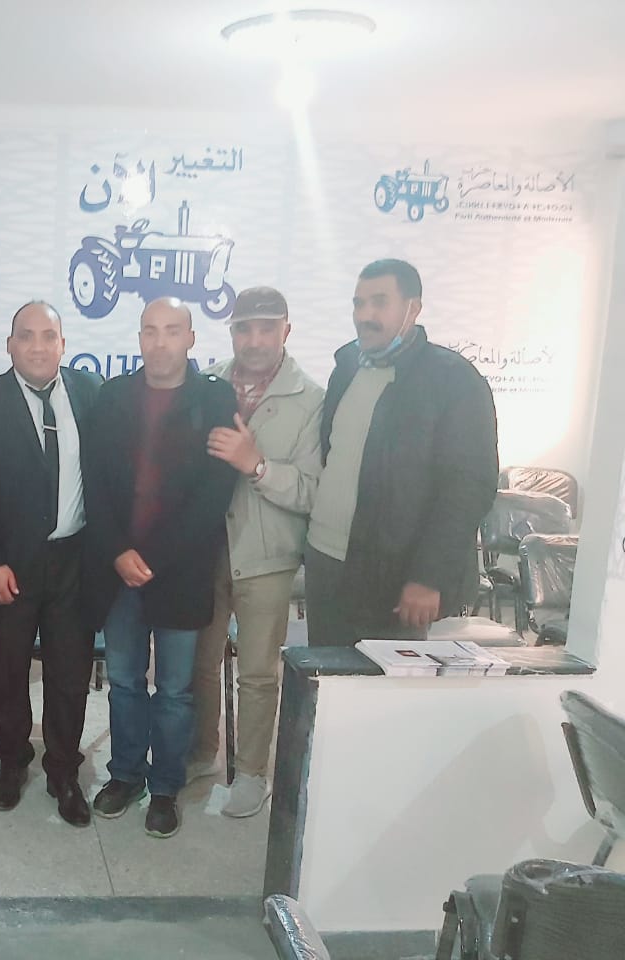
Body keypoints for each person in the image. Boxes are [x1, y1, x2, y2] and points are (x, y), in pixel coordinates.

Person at [83, 297, 238, 839]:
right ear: (139, 338)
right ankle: (125, 774)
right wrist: (117, 551)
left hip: (182, 570)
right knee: (125, 681)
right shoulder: (113, 396)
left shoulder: (215, 398)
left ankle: (166, 786)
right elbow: (94, 482)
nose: (160, 341)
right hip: (119, 568)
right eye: (150, 330)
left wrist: (155, 557)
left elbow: (215, 492)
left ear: (191, 338)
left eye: (172, 330)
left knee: (174, 690)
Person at [0, 301, 102, 826]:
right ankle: (12, 761)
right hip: (9, 566)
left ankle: (63, 770)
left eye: (48, 336)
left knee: (69, 674)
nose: (38, 346)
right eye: (26, 336)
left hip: (73, 560)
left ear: (64, 344)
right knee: (8, 671)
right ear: (10, 345)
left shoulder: (90, 393)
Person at [305, 259, 498, 646]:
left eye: (379, 302)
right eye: (359, 303)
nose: (365, 315)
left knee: (383, 680)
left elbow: (468, 488)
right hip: (326, 561)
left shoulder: (452, 379)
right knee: (325, 678)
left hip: (394, 575)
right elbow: (332, 454)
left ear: (414, 308)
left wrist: (429, 576)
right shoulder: (347, 367)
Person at [192, 286, 324, 818]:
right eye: (244, 328)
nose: (254, 339)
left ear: (286, 331)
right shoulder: (207, 384)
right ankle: (200, 752)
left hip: (267, 555)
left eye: (267, 328)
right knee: (198, 662)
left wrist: (258, 466)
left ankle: (251, 772)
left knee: (258, 671)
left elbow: (313, 490)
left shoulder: (311, 399)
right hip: (205, 549)